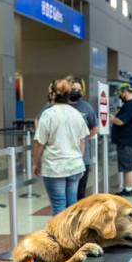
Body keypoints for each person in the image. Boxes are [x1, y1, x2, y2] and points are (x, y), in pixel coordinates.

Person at [33, 79, 89, 214]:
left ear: (53, 95)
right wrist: (78, 158)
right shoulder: (77, 114)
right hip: (75, 165)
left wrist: (35, 162)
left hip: (55, 166)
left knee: (59, 205)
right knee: (72, 205)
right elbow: (82, 141)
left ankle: (61, 234)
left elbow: (40, 143)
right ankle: (72, 233)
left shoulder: (48, 114)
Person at [110, 83, 132, 196]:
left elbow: (121, 121)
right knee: (127, 166)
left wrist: (110, 119)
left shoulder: (130, 105)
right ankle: (127, 188)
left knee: (128, 167)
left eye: (121, 94)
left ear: (125, 92)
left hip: (127, 142)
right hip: (129, 141)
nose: (120, 97)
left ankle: (128, 190)